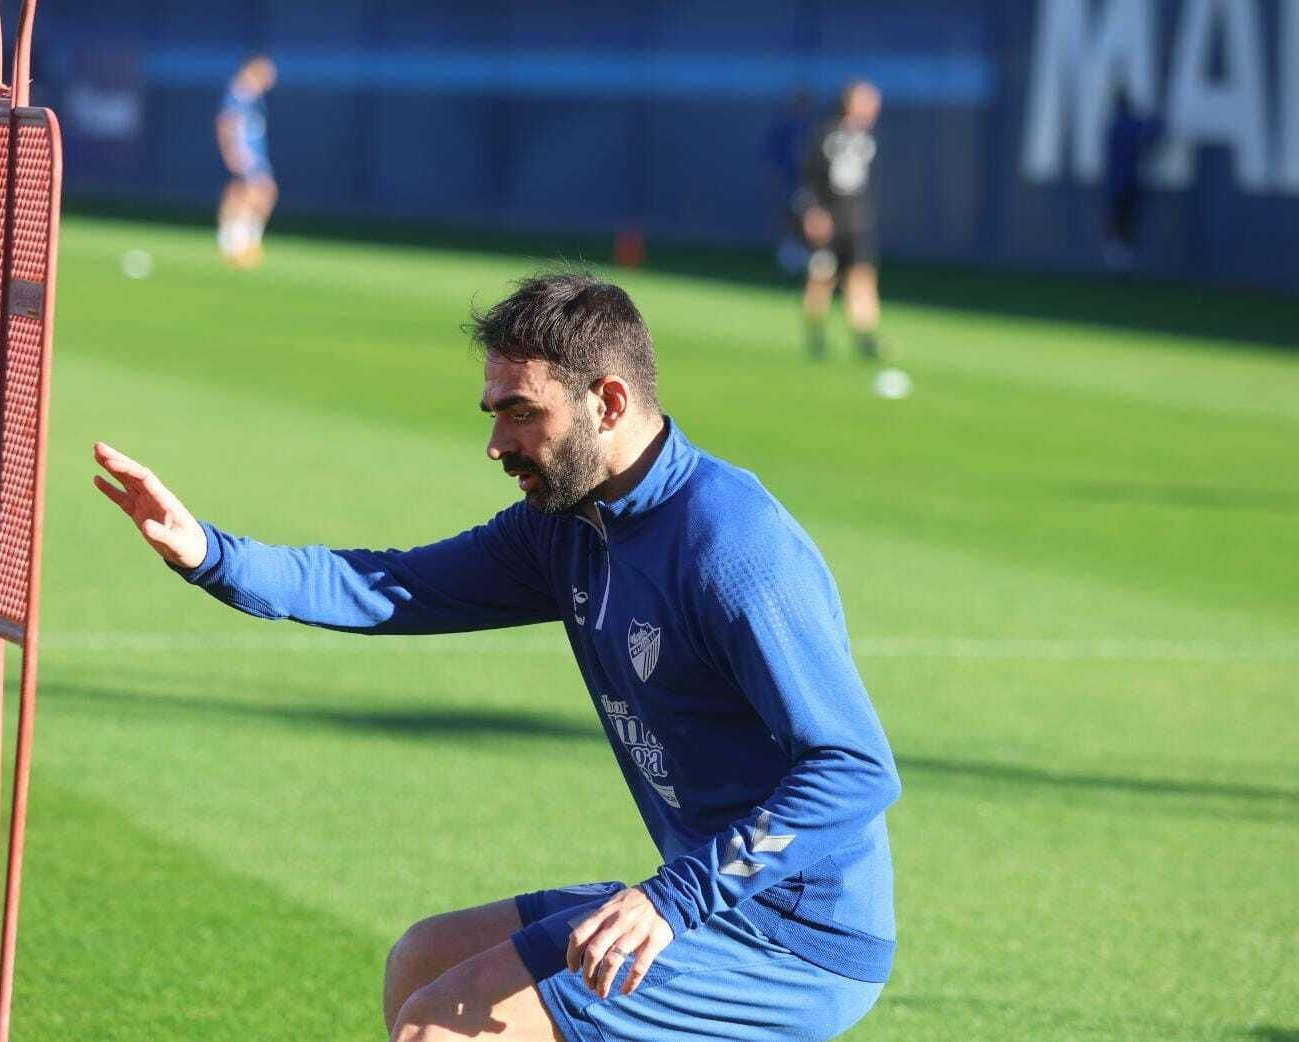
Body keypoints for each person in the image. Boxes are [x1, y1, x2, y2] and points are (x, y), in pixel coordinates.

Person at [93, 271, 901, 1042]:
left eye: (520, 413)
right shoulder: (567, 527)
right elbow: (396, 584)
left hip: (795, 938)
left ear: (608, 402)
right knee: (425, 964)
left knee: (440, 1028)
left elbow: (856, 768)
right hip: (705, 903)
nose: (495, 443)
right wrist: (210, 554)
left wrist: (675, 898)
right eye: (492, 411)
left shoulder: (732, 545)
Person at [797, 82, 882, 361]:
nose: (873, 108)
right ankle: (815, 334)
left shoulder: (866, 138)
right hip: (829, 223)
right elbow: (810, 180)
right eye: (867, 101)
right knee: (822, 276)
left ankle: (865, 337)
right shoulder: (829, 136)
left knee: (862, 276)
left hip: (856, 224)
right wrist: (814, 213)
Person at [216, 55, 278, 268]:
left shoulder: (253, 96)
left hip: (255, 153)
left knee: (253, 194)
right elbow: (226, 123)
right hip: (246, 153)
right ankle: (239, 243)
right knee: (255, 193)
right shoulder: (239, 93)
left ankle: (238, 242)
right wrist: (232, 151)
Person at [1102, 93, 1163, 274]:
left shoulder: (1114, 124)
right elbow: (1155, 130)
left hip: (1118, 182)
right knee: (1124, 222)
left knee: (1120, 222)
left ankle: (1119, 258)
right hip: (1127, 181)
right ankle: (1121, 259)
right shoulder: (1127, 123)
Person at [764, 90, 815, 274]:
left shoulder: (811, 127)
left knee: (805, 217)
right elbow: (774, 154)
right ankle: (788, 253)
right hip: (789, 181)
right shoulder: (785, 126)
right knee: (787, 215)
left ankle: (805, 253)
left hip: (808, 183)